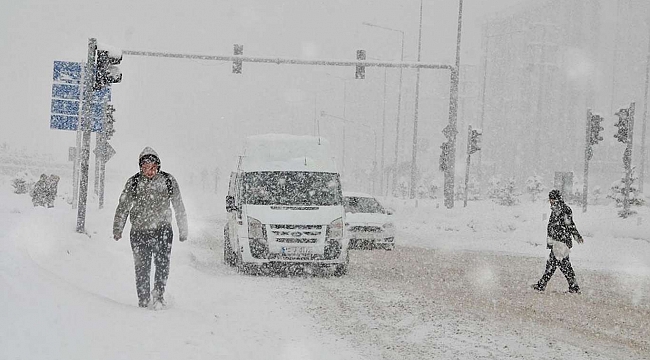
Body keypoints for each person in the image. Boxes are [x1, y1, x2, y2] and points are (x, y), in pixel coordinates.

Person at [113, 147, 188, 309]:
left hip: (163, 231)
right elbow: (123, 206)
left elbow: (178, 205)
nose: (149, 171)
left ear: (158, 166)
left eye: (153, 167)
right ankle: (143, 299)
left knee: (162, 265)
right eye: (146, 168)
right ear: (141, 167)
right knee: (142, 268)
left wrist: (183, 229)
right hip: (139, 232)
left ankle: (159, 295)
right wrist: (118, 228)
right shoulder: (134, 182)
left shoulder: (168, 180)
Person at [532, 189, 584, 293]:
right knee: (558, 265)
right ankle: (543, 284)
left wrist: (576, 235)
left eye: (551, 199)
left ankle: (543, 285)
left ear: (555, 199)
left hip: (561, 242)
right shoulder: (556, 209)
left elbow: (569, 224)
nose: (550, 201)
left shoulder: (564, 209)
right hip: (558, 242)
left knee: (556, 265)